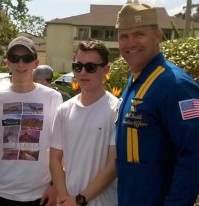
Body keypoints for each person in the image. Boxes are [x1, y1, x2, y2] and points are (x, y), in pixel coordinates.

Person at [115, 2, 199, 206]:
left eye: (139, 34)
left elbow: (194, 155)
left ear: (158, 36)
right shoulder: (136, 80)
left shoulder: (176, 85)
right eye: (124, 36)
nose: (130, 43)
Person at [0, 36, 63, 206]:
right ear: (7, 62)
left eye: (27, 58)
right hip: (1, 193)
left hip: (41, 193)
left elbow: (60, 146)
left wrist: (55, 185)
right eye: (15, 58)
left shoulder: (53, 97)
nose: (21, 63)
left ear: (36, 63)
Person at [50, 39, 118, 206]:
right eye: (77, 67)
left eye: (90, 67)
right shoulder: (64, 110)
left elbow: (113, 165)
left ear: (106, 70)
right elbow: (54, 159)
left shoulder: (116, 109)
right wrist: (65, 197)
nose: (82, 73)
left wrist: (79, 200)